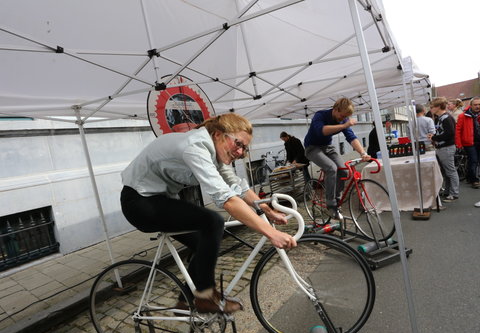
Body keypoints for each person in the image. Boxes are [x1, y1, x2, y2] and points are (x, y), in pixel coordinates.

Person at [120, 113, 296, 314]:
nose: (240, 152)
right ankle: (205, 296)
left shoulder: (213, 150)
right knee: (212, 221)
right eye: (238, 144)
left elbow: (235, 183)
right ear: (219, 134)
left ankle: (186, 301)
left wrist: (266, 210)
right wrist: (271, 233)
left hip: (160, 199)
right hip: (139, 202)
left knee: (205, 242)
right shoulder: (195, 146)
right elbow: (227, 199)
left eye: (244, 149)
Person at [304, 98, 370, 219]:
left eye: (345, 117)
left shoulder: (343, 120)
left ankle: (337, 201)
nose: (342, 118)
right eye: (342, 115)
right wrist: (344, 125)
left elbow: (351, 137)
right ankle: (331, 204)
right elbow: (322, 131)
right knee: (331, 168)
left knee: (344, 170)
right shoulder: (320, 115)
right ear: (335, 109)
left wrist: (362, 153)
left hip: (327, 147)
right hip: (312, 148)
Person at [428, 97, 459, 202]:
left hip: (447, 148)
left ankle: (454, 194)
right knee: (447, 172)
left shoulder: (446, 118)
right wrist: (434, 136)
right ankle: (448, 191)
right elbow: (444, 132)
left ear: (438, 107)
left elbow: (450, 134)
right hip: (443, 148)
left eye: (432, 107)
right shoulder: (442, 118)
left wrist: (434, 137)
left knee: (450, 171)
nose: (430, 109)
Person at [455, 96, 480, 189]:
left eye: (479, 104)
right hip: (469, 143)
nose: (477, 106)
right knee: (473, 160)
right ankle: (474, 180)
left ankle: (471, 177)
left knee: (476, 161)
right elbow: (457, 131)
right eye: (475, 105)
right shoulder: (463, 116)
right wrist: (459, 144)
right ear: (471, 105)